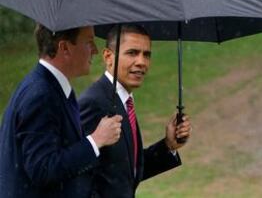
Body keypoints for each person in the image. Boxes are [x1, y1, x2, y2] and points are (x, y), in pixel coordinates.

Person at [0, 24, 123, 197]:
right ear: (64, 47)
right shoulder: (41, 95)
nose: (95, 50)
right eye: (89, 42)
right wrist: (96, 140)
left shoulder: (53, 89)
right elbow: (42, 169)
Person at [79, 25, 192, 198]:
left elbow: (125, 172)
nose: (141, 62)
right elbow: (76, 180)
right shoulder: (94, 103)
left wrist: (168, 146)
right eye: (132, 53)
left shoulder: (124, 100)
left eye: (146, 54)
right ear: (108, 56)